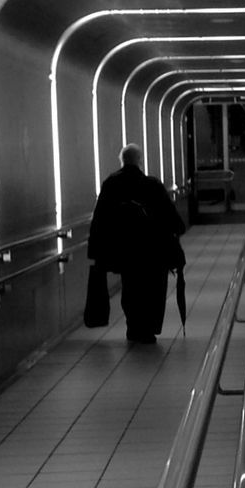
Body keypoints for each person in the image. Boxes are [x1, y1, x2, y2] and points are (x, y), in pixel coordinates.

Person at [87, 144, 186, 343]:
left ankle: (133, 326)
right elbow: (169, 214)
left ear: (122, 161)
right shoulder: (152, 184)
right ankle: (149, 329)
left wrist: (97, 252)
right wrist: (178, 228)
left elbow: (100, 219)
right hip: (153, 249)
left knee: (130, 287)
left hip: (125, 250)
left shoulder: (110, 184)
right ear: (140, 160)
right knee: (154, 288)